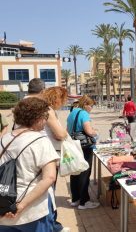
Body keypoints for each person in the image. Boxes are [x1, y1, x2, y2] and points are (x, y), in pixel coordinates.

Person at [0, 98, 59, 231]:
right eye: (45, 116)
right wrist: (20, 205)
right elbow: (49, 177)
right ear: (38, 118)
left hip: (3, 208)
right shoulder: (40, 140)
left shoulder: (4, 139)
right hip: (32, 211)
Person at [41, 87, 69, 232]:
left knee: (46, 192)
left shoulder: (42, 109)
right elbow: (60, 134)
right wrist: (64, 132)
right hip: (49, 155)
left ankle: (51, 224)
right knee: (49, 192)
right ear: (56, 99)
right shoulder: (49, 110)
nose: (63, 102)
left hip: (42, 153)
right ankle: (52, 226)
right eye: (63, 99)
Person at [66, 95, 99, 210]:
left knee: (75, 171)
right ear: (85, 104)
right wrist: (95, 132)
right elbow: (88, 131)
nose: (91, 108)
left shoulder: (72, 113)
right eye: (90, 105)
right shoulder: (84, 113)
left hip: (73, 145)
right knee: (85, 173)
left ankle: (75, 199)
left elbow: (67, 130)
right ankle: (84, 202)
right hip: (84, 146)